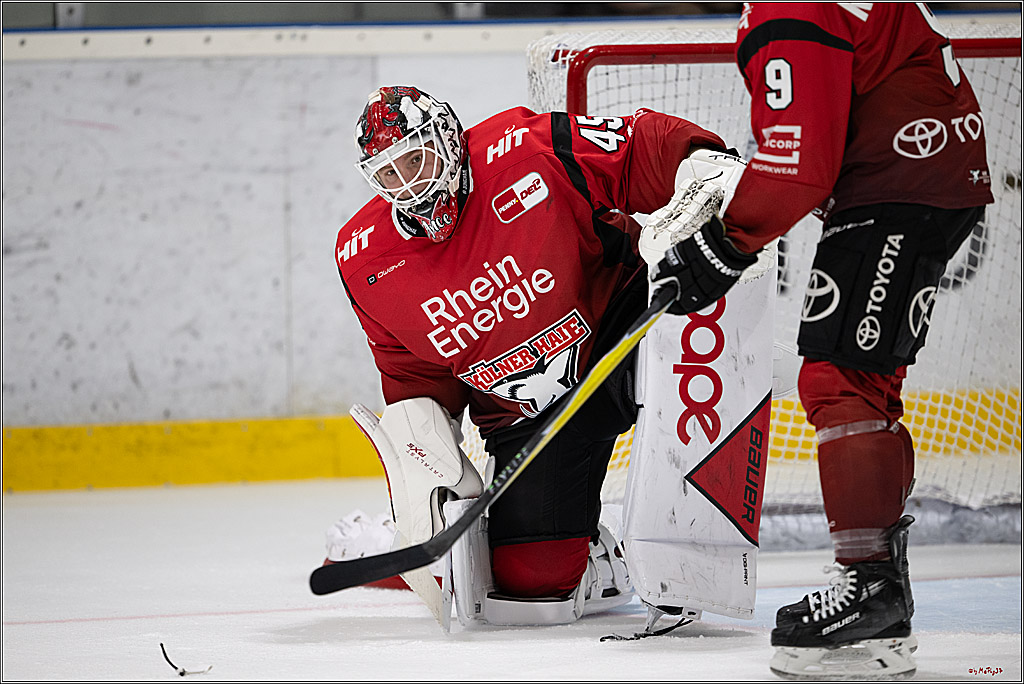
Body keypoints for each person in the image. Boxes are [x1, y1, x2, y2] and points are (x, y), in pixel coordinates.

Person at [332, 85, 754, 627]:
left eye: (415, 159)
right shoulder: (365, 258)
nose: (407, 184)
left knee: (686, 350)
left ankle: (680, 541)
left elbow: (638, 149)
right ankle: (392, 541)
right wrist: (429, 466)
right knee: (531, 588)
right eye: (388, 174)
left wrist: (700, 163)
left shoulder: (524, 148)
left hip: (622, 327)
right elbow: (412, 374)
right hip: (525, 415)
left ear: (447, 138)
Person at [656, 3, 994, 678]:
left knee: (841, 380)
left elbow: (797, 166)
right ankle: (881, 594)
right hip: (921, 174)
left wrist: (724, 245)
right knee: (864, 384)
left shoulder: (790, 8)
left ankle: (871, 593)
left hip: (902, 182)